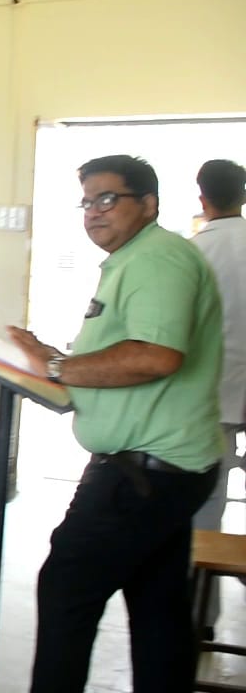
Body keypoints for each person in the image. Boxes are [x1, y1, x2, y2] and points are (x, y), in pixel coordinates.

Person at [7, 155, 223, 693]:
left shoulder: (157, 259)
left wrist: (56, 367)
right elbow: (126, 352)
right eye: (86, 202)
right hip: (166, 466)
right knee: (156, 600)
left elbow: (156, 356)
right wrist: (51, 361)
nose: (94, 213)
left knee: (67, 590)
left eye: (108, 199)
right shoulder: (136, 258)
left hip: (144, 473)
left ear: (148, 204)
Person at [189, 158, 246, 635]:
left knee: (208, 509)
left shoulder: (194, 253)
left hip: (214, 400)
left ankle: (200, 617)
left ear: (202, 196)